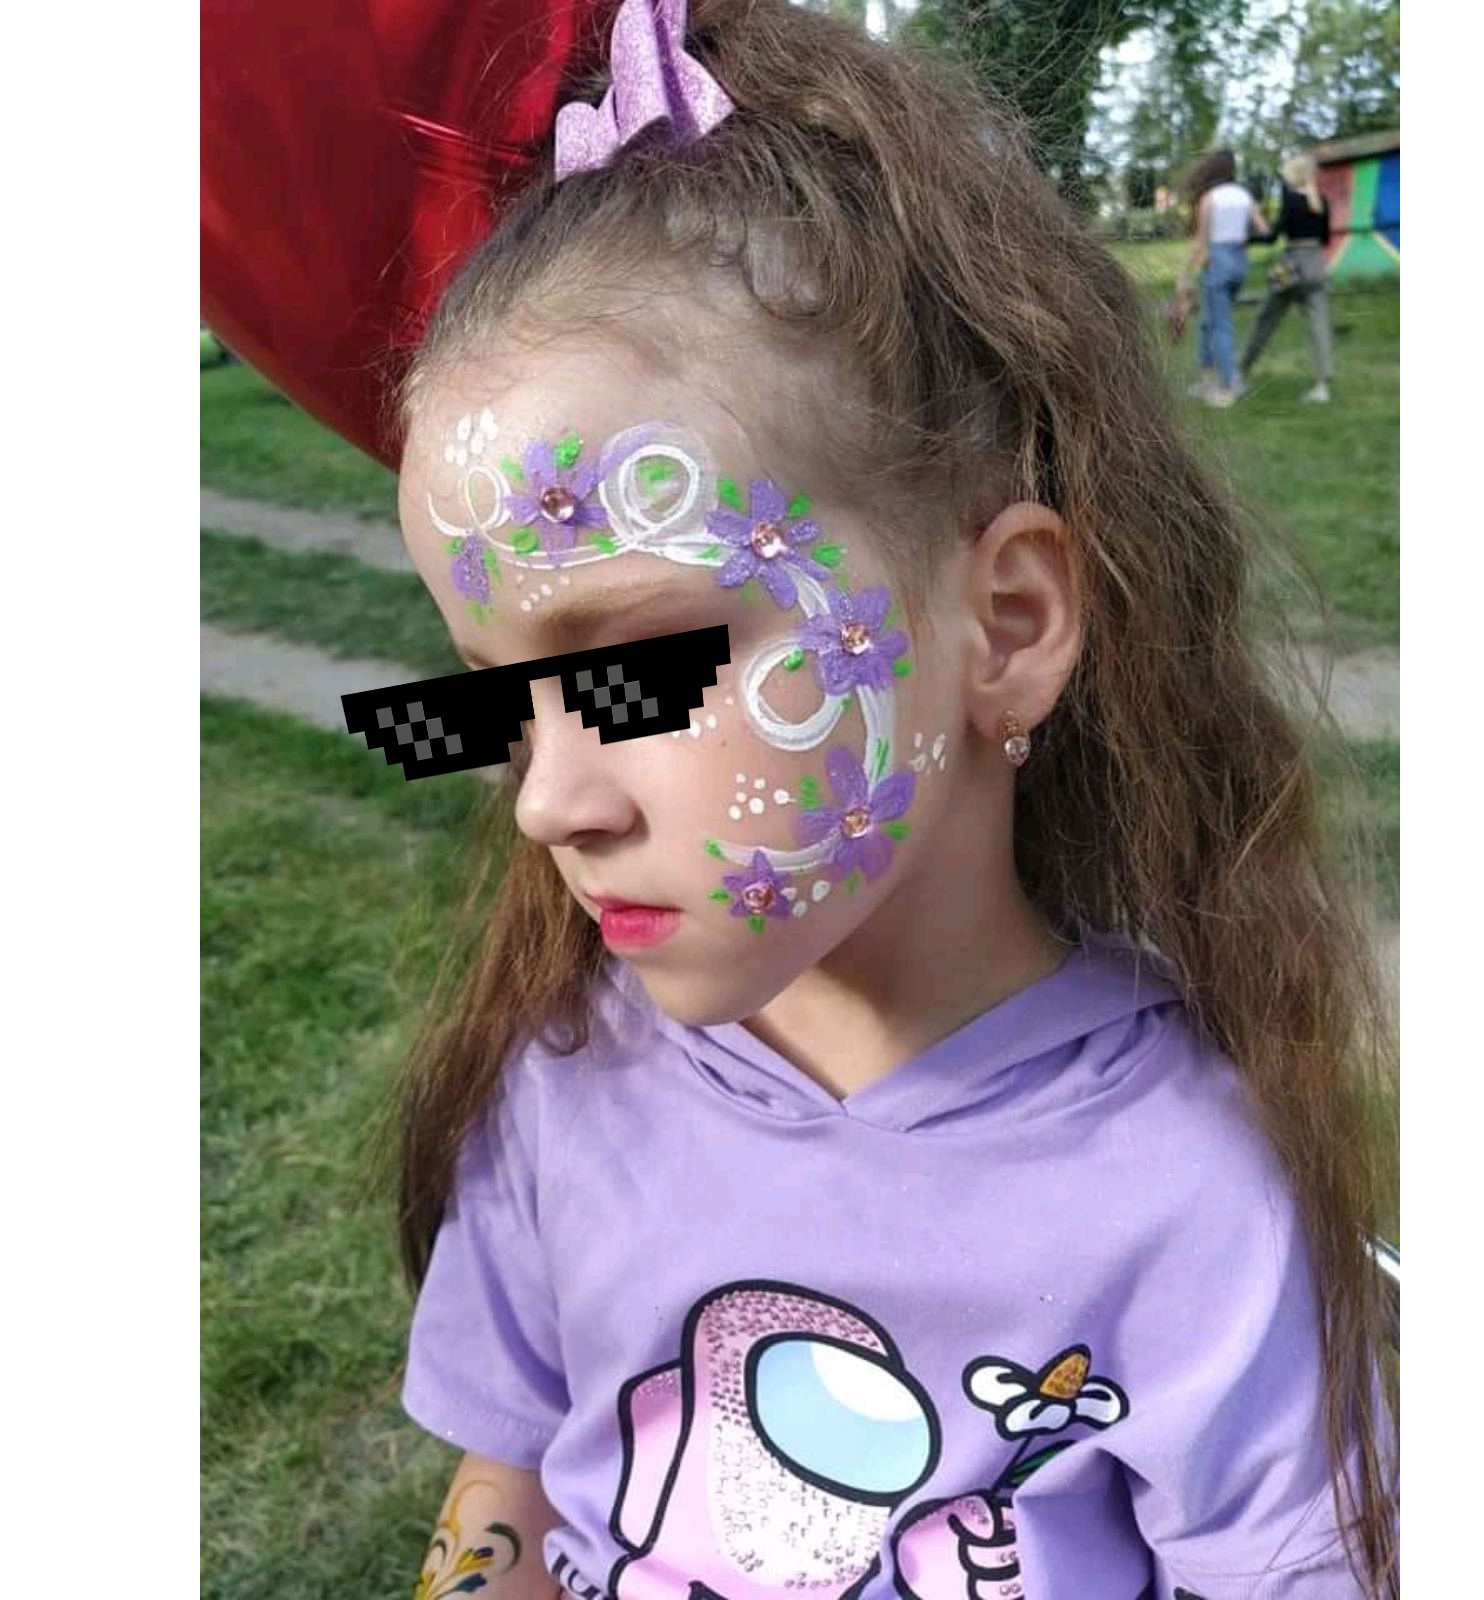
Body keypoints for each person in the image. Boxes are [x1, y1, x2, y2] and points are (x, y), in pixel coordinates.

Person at [374, 3, 1397, 1597]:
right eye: (505, 693)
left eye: (641, 666)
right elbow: (505, 1474)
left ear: (1007, 625)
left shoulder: (1191, 1199)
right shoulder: (566, 1090)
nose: (547, 800)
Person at [1176, 149, 1270, 408]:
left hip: (1218, 261)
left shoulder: (1210, 198)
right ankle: (1207, 379)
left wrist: (1183, 273)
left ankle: (1230, 386)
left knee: (1220, 325)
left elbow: (1201, 241)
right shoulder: (1244, 195)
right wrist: (1242, 236)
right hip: (1239, 262)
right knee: (1208, 322)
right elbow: (1264, 229)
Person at [1241, 153, 1336, 403]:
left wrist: (1247, 238)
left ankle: (1240, 371)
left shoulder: (1291, 200)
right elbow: (1326, 239)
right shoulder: (1322, 201)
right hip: (1316, 265)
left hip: (1291, 265)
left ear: (1293, 175)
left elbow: (1272, 237)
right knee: (1319, 324)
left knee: (1266, 318)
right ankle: (1322, 386)